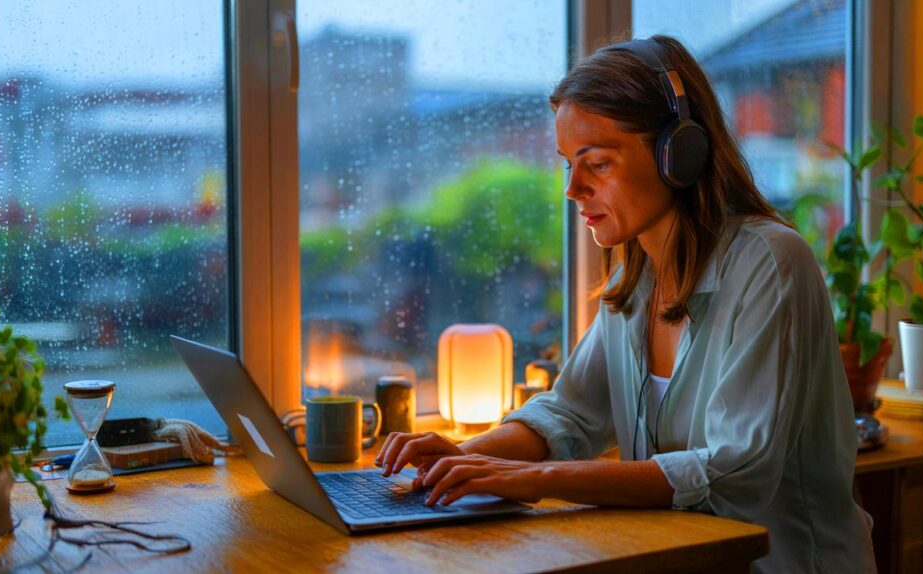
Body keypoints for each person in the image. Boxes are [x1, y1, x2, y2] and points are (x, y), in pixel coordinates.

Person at [373, 36, 875, 573]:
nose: (573, 189)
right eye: (569, 164)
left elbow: (733, 474)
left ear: (679, 155)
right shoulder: (635, 277)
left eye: (598, 164)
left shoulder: (771, 262)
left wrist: (530, 479)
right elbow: (570, 413)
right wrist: (464, 455)